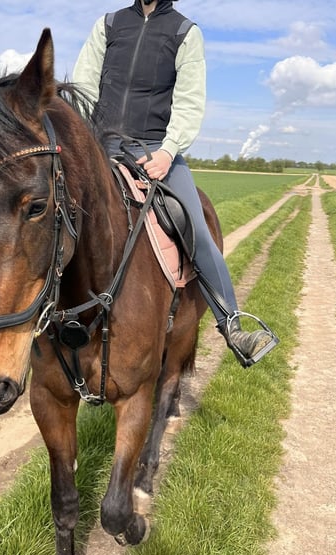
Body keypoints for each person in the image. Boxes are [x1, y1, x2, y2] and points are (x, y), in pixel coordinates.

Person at [72, 0, 277, 367]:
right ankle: (32, 322)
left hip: (155, 149)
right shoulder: (108, 25)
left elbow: (188, 101)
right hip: (101, 145)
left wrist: (168, 152)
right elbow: (84, 85)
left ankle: (232, 324)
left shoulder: (185, 32)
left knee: (194, 226)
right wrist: (85, 141)